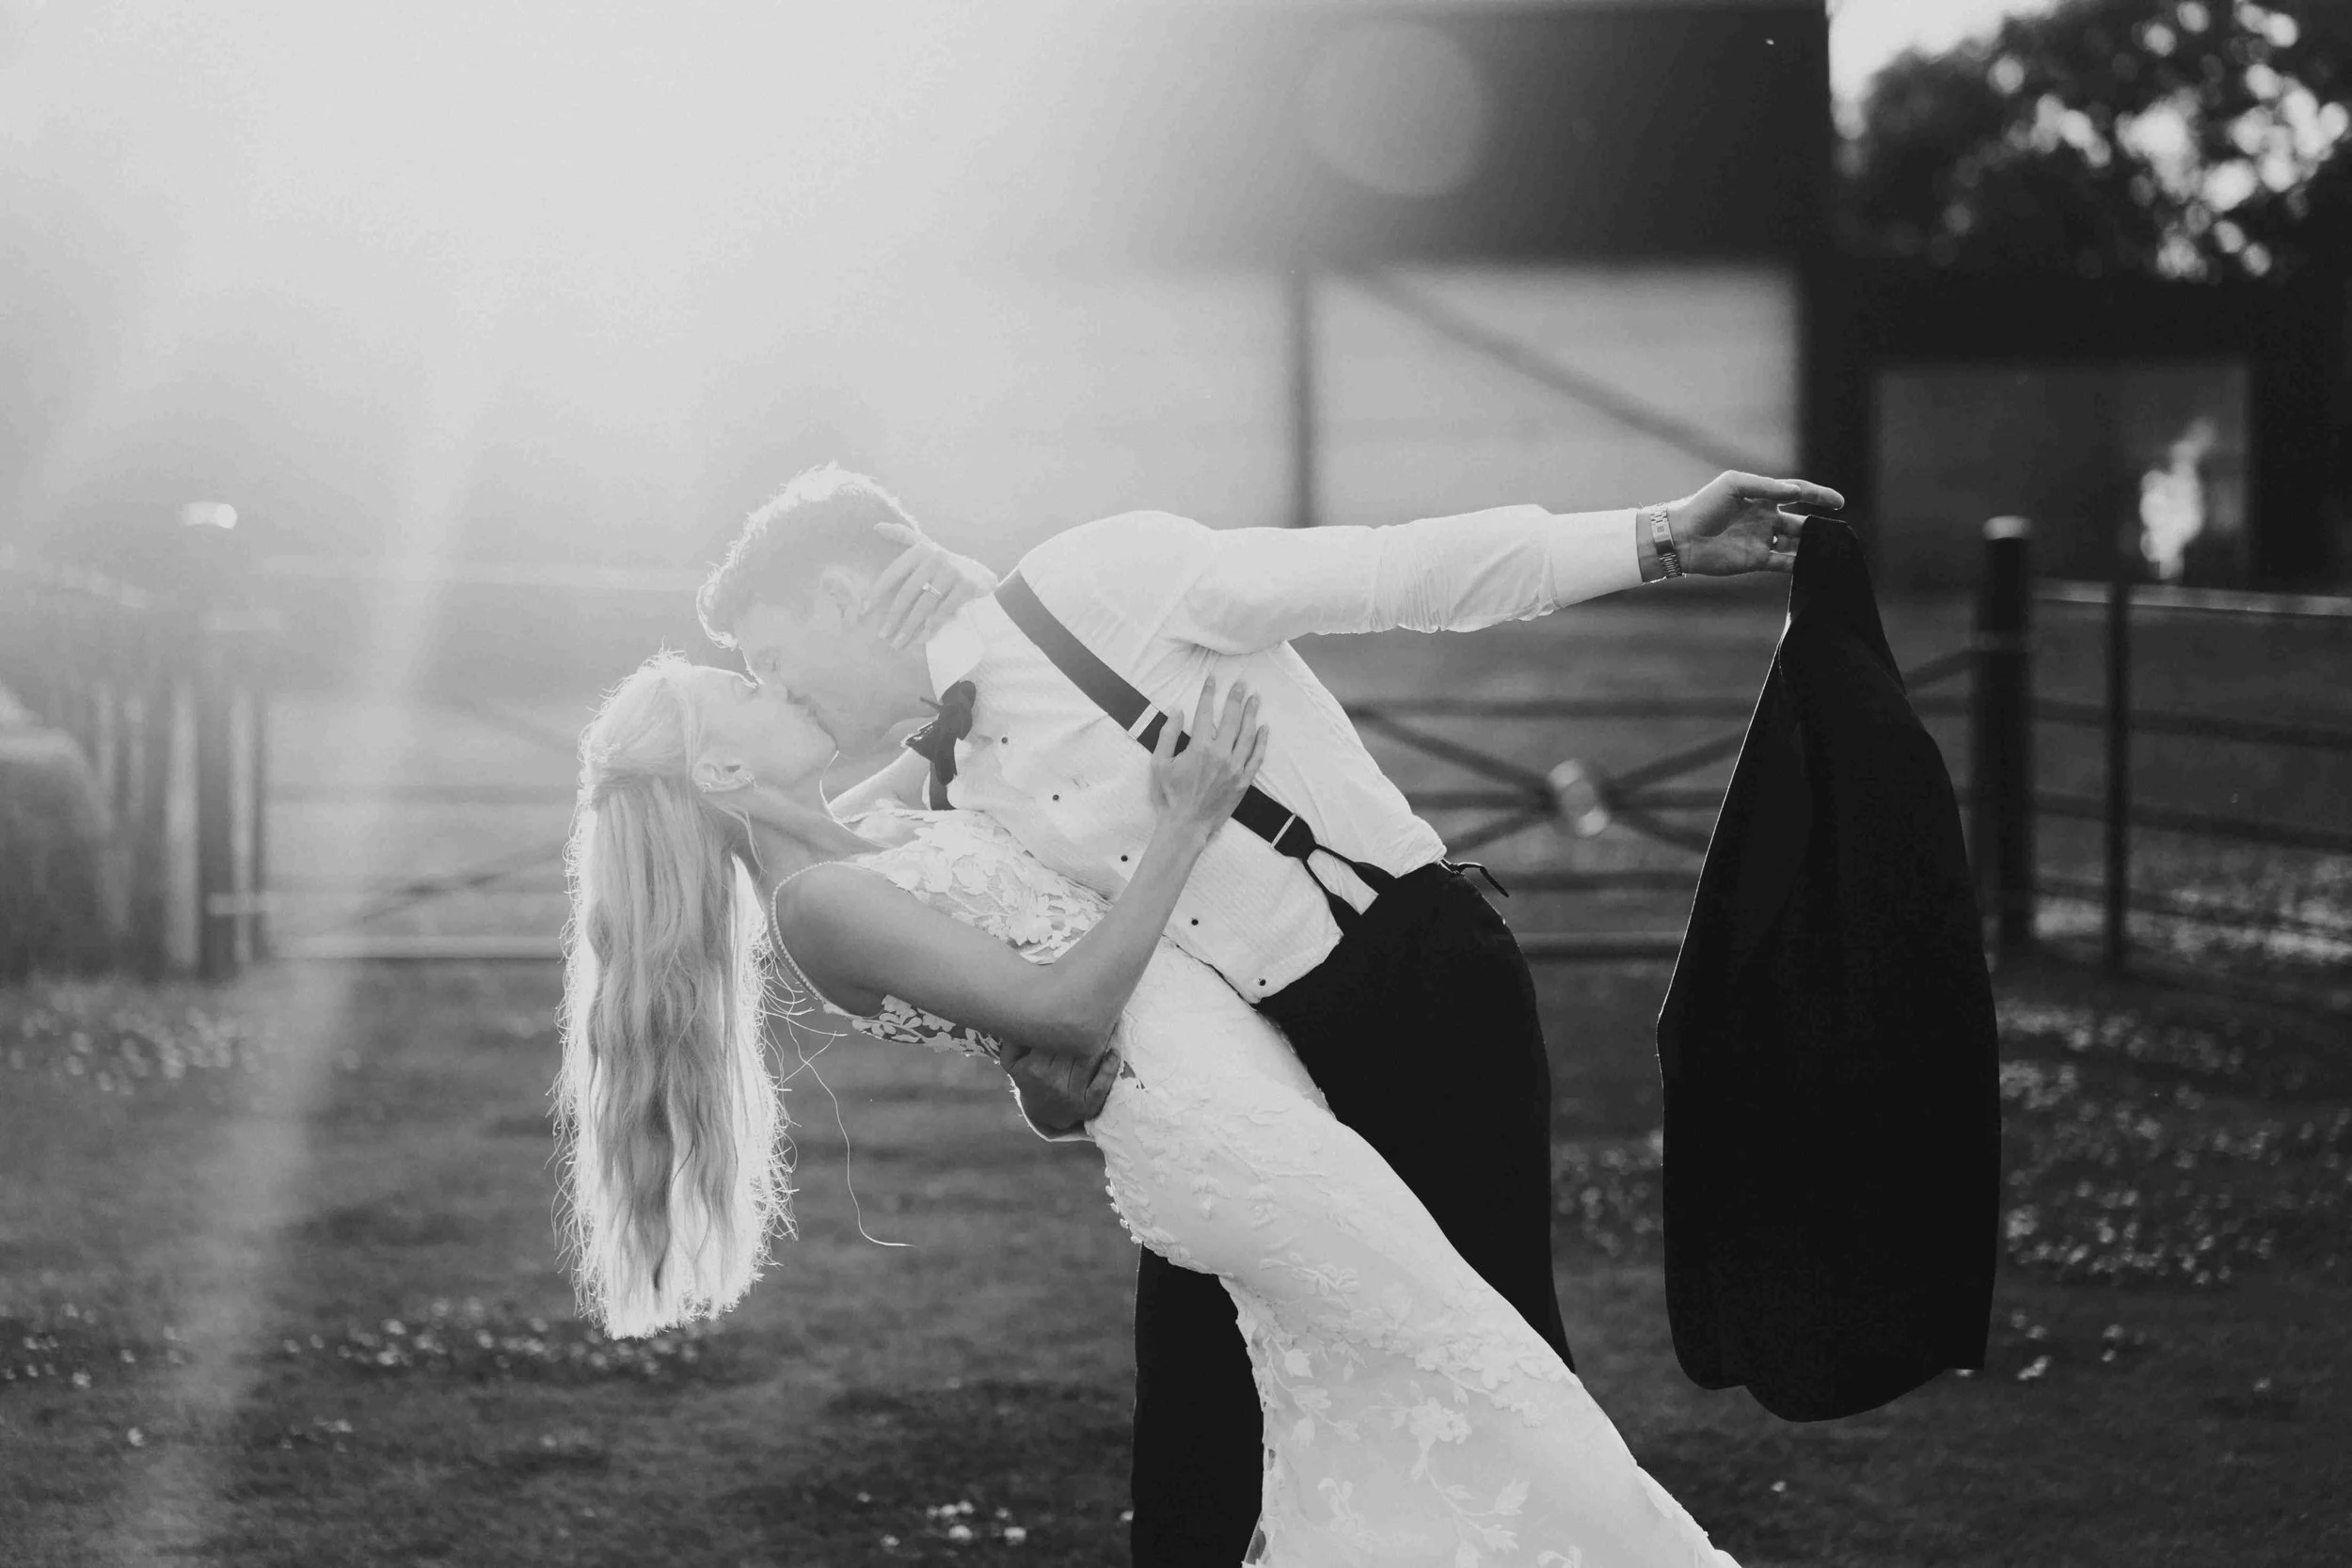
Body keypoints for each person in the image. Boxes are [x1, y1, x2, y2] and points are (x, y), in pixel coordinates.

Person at [690, 465, 1836, 1563]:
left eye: (776, 661)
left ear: (842, 595)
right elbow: (974, 946)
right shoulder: (952, 785)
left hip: (1416, 995)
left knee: (1494, 1375)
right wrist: (1045, 1088)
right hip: (1236, 1093)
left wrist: (1663, 538)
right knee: (1193, 1431)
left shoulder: (1101, 580)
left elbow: (1394, 571)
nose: (785, 695)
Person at [555, 645, 1746, 1564]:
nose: (771, 681)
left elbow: (1037, 1051)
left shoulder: (864, 824)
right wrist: (1186, 820)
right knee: (1498, 1386)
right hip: (1220, 1143)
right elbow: (1069, 1008)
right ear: (722, 772)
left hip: (1238, 1100)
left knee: (1379, 1421)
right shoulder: (815, 903)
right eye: (741, 688)